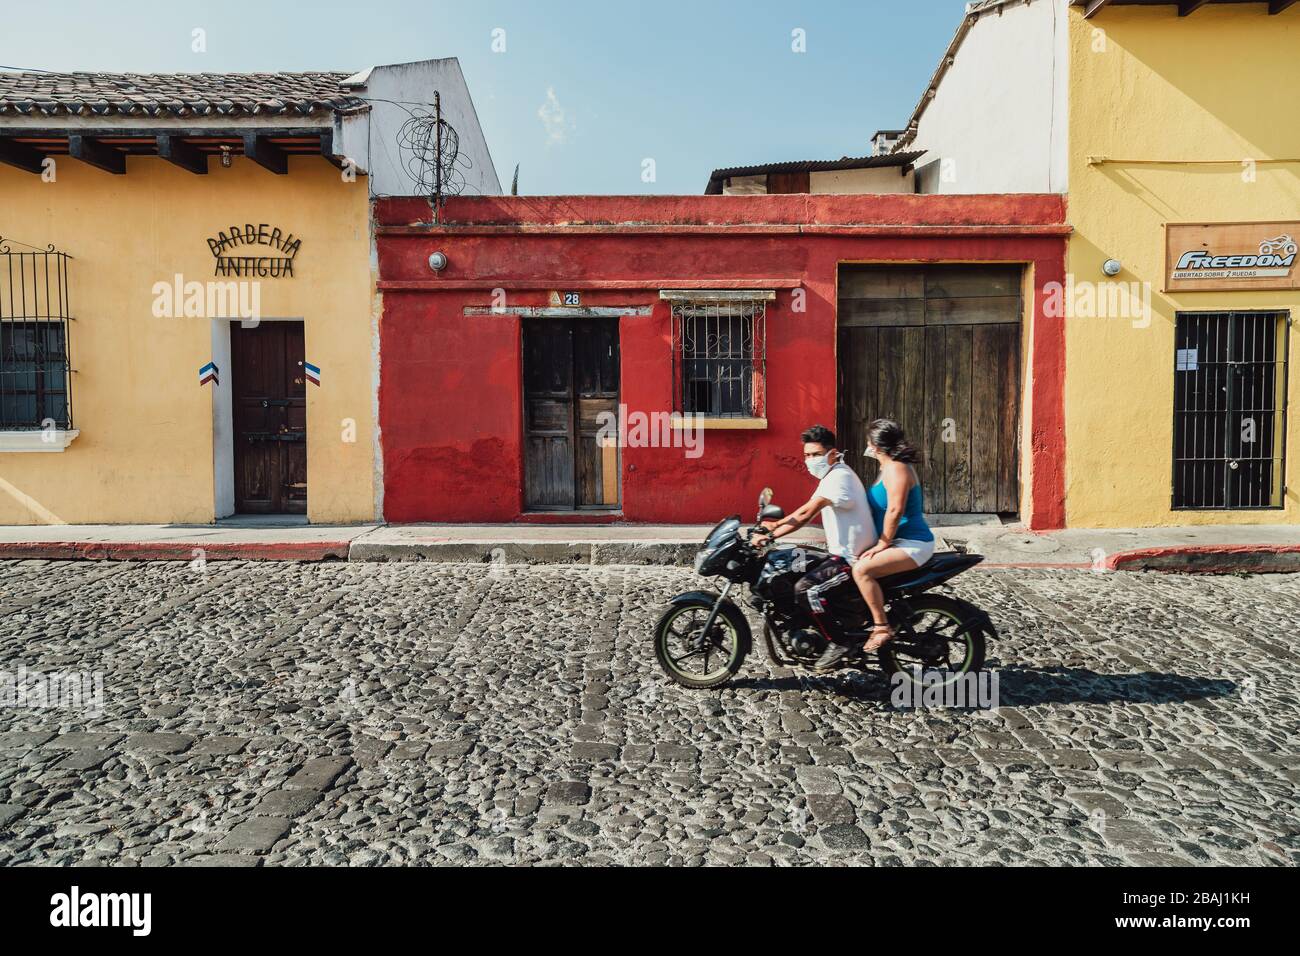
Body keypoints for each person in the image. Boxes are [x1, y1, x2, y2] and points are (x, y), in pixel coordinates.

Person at [750, 424, 877, 671]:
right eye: (807, 455)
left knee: (806, 590)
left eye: (815, 455)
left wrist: (771, 533)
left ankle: (839, 643)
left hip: (851, 560)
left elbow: (807, 513)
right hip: (841, 555)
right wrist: (772, 527)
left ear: (832, 453)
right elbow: (804, 511)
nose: (810, 460)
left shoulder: (839, 477)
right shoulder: (831, 476)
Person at [852, 418, 934, 655]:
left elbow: (895, 509)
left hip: (913, 543)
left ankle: (881, 627)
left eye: (869, 441)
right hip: (899, 542)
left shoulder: (897, 468)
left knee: (862, 570)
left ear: (875, 446)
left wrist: (882, 543)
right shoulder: (887, 466)